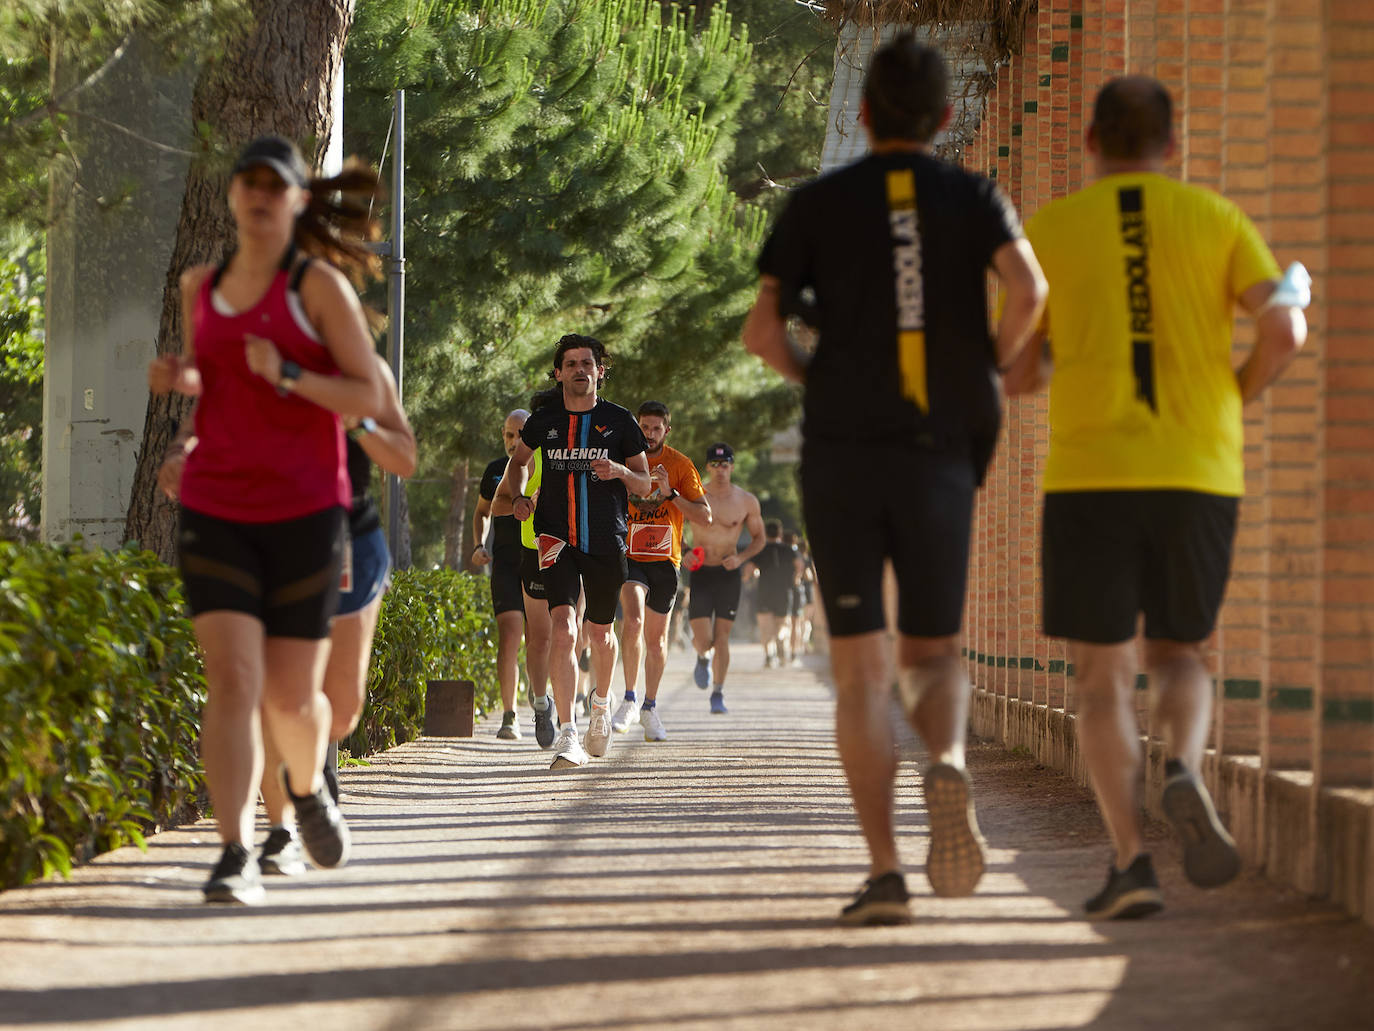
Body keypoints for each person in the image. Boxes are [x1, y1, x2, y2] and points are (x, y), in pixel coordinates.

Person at [742, 36, 1048, 925]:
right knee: (933, 651)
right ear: (947, 117)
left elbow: (763, 335)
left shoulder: (816, 204)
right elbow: (1028, 291)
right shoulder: (975, 194)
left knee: (861, 671)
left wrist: (815, 376)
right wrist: (985, 367)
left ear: (865, 115)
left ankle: (884, 872)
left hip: (842, 449)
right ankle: (945, 757)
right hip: (942, 445)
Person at [1004, 76, 1308, 920]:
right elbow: (1286, 331)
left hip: (1090, 479)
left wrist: (1064, 355)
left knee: (1101, 678)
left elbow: (1019, 368)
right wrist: (1236, 393)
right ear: (1170, 147)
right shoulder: (1217, 220)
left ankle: (1132, 861)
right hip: (1197, 471)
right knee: (1182, 653)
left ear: (1092, 142)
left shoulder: (1051, 232)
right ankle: (1185, 768)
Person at [148, 135, 390, 903]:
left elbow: (369, 399)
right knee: (233, 678)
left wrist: (287, 373)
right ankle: (232, 852)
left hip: (305, 510)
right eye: (245, 181)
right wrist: (184, 421)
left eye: (272, 184)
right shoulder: (202, 284)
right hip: (216, 504)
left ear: (294, 200)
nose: (257, 194)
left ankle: (308, 789)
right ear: (231, 195)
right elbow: (216, 389)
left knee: (291, 699)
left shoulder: (318, 288)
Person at [161, 352, 416, 878]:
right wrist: (181, 452)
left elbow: (404, 459)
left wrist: (357, 422)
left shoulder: (363, 369)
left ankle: (310, 783)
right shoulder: (248, 357)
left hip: (347, 537)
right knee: (265, 691)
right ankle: (279, 831)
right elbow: (198, 424)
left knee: (339, 710)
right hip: (266, 532)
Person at [494, 335, 651, 768]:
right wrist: (520, 495)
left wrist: (619, 469)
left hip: (605, 539)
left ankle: (601, 704)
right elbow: (519, 461)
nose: (580, 370)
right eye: (571, 363)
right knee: (563, 628)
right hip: (554, 538)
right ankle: (568, 733)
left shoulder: (619, 421)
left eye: (588, 363)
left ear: (601, 371)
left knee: (599, 634)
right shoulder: (544, 420)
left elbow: (644, 483)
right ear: (558, 372)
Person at [612, 401, 712, 741]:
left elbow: (704, 516)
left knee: (656, 640)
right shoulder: (624, 460)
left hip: (666, 560)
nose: (649, 433)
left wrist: (670, 494)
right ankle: (628, 697)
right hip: (631, 555)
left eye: (656, 428)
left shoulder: (680, 465)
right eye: (644, 426)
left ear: (666, 430)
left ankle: (649, 707)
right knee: (633, 619)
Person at [687, 443, 766, 715]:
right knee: (703, 639)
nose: (721, 469)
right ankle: (701, 657)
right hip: (700, 572)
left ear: (732, 466)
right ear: (708, 466)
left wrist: (741, 559)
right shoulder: (695, 494)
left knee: (722, 638)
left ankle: (717, 693)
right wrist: (685, 552)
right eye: (716, 464)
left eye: (726, 464)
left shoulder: (746, 501)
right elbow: (672, 526)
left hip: (728, 573)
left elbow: (760, 538)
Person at [472, 409, 531, 740]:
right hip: (506, 564)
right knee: (510, 636)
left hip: (540, 561)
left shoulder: (542, 466)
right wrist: (479, 545)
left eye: (521, 433)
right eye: (509, 435)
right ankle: (509, 715)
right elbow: (481, 512)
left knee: (540, 639)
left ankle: (542, 704)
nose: (514, 441)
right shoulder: (495, 471)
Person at [744, 520, 801, 668]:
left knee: (765, 626)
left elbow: (749, 568)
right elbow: (799, 565)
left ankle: (769, 655)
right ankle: (780, 640)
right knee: (782, 623)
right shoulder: (789, 550)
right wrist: (796, 578)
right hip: (784, 591)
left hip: (765, 592)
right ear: (780, 533)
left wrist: (746, 578)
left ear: (766, 533)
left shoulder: (761, 549)